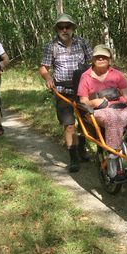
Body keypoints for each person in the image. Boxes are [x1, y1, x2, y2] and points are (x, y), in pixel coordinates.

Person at [77, 44, 127, 178]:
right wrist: (94, 102)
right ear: (92, 59)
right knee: (113, 118)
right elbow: (83, 101)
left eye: (104, 56)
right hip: (98, 111)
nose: (101, 59)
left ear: (109, 59)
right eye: (98, 56)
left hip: (121, 108)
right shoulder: (85, 77)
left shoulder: (117, 75)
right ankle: (113, 165)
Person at [39, 13, 93, 173]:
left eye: (67, 26)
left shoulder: (82, 43)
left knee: (87, 122)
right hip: (63, 91)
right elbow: (43, 67)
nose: (64, 29)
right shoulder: (51, 46)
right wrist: (48, 78)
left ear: (72, 28)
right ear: (57, 29)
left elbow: (93, 62)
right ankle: (74, 157)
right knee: (69, 125)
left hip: (83, 90)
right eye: (61, 27)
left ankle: (83, 150)